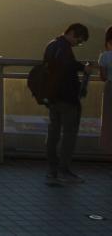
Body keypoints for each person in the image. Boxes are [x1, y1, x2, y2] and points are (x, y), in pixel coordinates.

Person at [43, 23, 95, 184]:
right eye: (78, 40)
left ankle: (52, 170)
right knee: (69, 134)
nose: (77, 44)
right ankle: (63, 170)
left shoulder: (51, 45)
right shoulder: (64, 48)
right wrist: (83, 68)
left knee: (53, 133)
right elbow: (67, 66)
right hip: (67, 98)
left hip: (52, 97)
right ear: (72, 33)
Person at [99, 26, 112, 152]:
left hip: (110, 87)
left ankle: (108, 147)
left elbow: (103, 77)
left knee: (108, 119)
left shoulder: (105, 56)